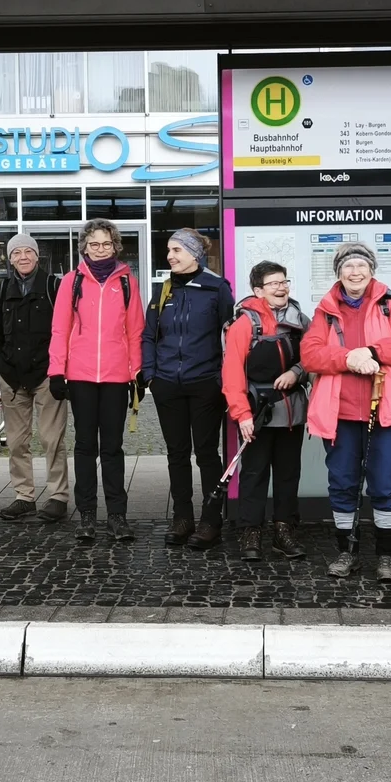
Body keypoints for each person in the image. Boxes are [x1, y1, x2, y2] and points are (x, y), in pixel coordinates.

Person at [299, 241, 391, 581]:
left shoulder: (389, 305)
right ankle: (346, 551)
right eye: (348, 267)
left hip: (384, 411)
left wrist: (371, 351)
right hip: (340, 414)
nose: (355, 272)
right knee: (342, 483)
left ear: (372, 270)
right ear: (339, 273)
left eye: (361, 266)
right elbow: (310, 355)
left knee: (385, 483)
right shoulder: (325, 310)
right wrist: (346, 358)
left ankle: (385, 555)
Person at [49, 218, 144, 544]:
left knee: (113, 448)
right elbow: (60, 329)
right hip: (81, 375)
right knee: (86, 446)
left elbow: (135, 332)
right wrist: (56, 371)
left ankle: (117, 516)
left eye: (106, 243)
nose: (100, 249)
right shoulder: (72, 282)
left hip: (117, 376)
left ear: (115, 246)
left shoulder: (127, 282)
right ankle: (87, 514)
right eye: (94, 244)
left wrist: (137, 373)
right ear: (84, 247)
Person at [143, 227, 233, 549]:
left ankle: (211, 521)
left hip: (205, 384)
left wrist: (222, 379)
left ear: (195, 253)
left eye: (177, 250)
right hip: (167, 385)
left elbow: (231, 339)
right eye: (169, 250)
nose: (170, 256)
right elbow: (148, 335)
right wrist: (151, 374)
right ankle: (182, 518)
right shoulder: (163, 290)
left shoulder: (217, 289)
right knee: (176, 454)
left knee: (207, 455)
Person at [221, 260, 309, 562]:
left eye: (283, 282)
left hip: (292, 412)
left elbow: (314, 355)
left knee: (288, 475)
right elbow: (232, 373)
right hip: (257, 413)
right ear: (258, 290)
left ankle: (284, 531)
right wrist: (242, 414)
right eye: (273, 283)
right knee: (254, 475)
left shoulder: (300, 319)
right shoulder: (245, 324)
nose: (281, 288)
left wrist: (297, 372)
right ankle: (251, 532)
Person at [0, 233, 70, 523]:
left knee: (52, 440)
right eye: (16, 253)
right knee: (17, 442)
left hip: (47, 375)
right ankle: (24, 497)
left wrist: (61, 371)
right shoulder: (0, 292)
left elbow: (67, 331)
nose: (22, 257)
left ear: (37, 255)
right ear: (10, 259)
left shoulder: (53, 287)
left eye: (27, 252)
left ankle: (58, 496)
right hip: (12, 377)